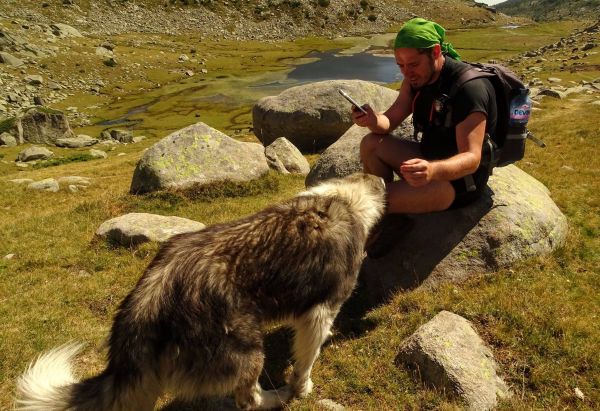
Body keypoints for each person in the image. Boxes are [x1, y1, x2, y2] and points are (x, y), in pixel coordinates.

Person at [352, 18, 498, 257]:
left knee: (370, 200)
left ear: (436, 52)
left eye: (413, 64)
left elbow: (471, 158)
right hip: (429, 159)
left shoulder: (469, 89)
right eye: (400, 65)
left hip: (460, 182)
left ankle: (385, 210)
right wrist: (372, 119)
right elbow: (390, 120)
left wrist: (431, 171)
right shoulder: (416, 80)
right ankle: (388, 215)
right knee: (371, 144)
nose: (407, 72)